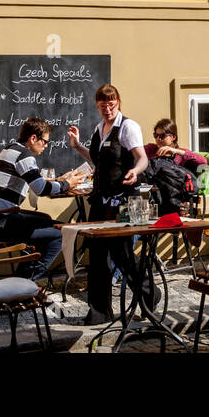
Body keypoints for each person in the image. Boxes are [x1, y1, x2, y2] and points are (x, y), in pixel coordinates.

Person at [65, 83, 149, 325]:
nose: (107, 109)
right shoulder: (99, 128)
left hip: (123, 201)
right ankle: (99, 312)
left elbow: (142, 157)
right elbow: (98, 159)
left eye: (111, 105)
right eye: (103, 106)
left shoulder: (128, 127)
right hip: (100, 200)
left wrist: (134, 171)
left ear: (118, 103)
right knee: (98, 256)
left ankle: (149, 295)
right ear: (98, 107)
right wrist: (78, 146)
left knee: (122, 255)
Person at [0, 117, 81, 279]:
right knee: (62, 232)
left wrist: (61, 182)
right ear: (33, 138)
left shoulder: (11, 149)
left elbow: (36, 182)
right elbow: (40, 189)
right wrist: (67, 185)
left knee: (46, 220)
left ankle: (24, 272)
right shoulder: (24, 156)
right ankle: (24, 280)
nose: (46, 146)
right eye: (45, 142)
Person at [142, 120, 206, 172]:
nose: (158, 139)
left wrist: (176, 151)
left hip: (172, 186)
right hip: (151, 186)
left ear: (173, 137)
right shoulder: (151, 149)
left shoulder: (180, 154)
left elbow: (203, 162)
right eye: (156, 135)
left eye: (162, 136)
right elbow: (134, 151)